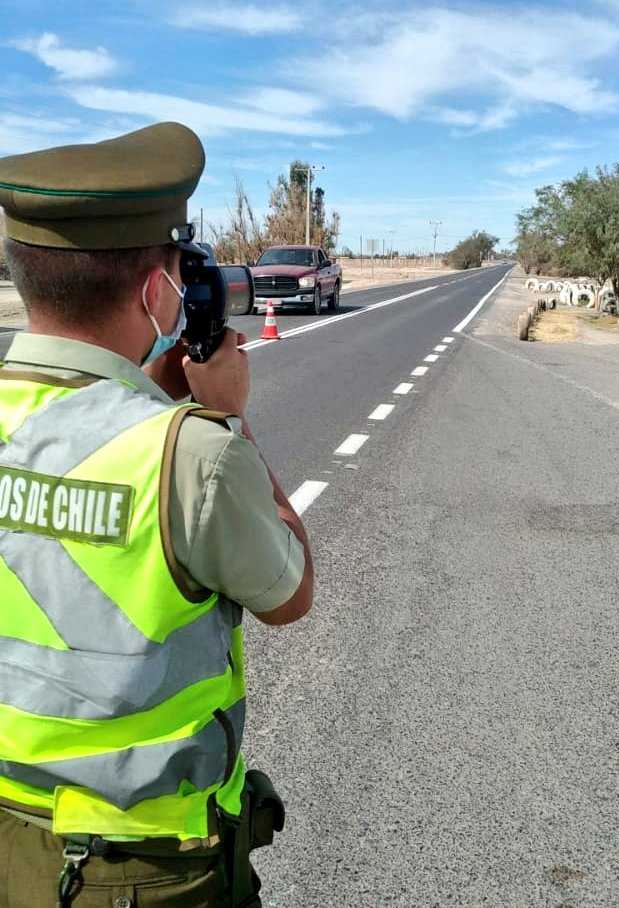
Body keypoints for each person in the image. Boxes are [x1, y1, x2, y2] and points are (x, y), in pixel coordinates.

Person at [0, 121, 313, 906]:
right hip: (142, 871)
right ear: (154, 291)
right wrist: (229, 420)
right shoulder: (190, 456)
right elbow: (291, 592)